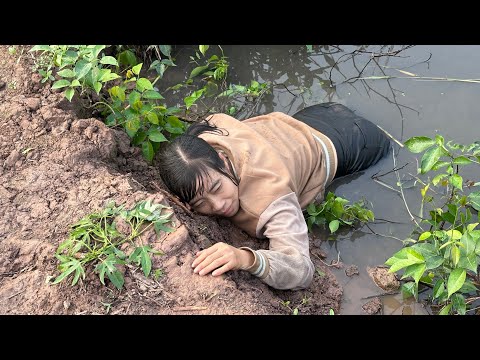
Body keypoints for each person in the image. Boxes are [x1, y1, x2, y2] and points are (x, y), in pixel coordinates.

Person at [157, 103, 390, 290]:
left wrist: (247, 259)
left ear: (224, 160)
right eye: (201, 203)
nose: (218, 205)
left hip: (358, 143)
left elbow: (301, 271)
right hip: (315, 114)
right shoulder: (204, 137)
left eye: (218, 188)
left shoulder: (270, 196)